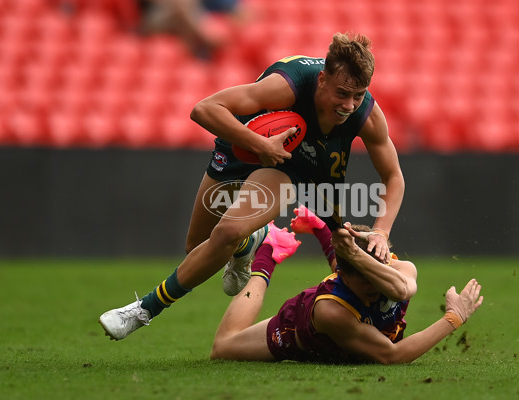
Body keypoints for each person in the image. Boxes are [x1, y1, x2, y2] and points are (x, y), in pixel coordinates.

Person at [99, 32, 406, 341]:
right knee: (198, 246)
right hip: (244, 141)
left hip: (293, 164)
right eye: (342, 93)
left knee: (227, 232)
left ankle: (142, 310)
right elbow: (204, 109)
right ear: (322, 80)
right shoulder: (288, 86)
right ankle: (251, 242)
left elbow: (393, 176)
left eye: (359, 95)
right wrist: (260, 144)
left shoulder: (367, 114)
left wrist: (382, 231)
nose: (350, 104)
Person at [211, 216, 484, 364]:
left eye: (377, 274)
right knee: (222, 348)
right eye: (365, 279)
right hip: (300, 326)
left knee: (364, 284)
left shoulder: (402, 270)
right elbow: (391, 354)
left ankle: (320, 227)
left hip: (353, 286)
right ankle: (269, 250)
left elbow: (398, 287)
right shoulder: (332, 312)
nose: (375, 286)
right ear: (342, 275)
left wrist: (331, 237)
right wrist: (453, 317)